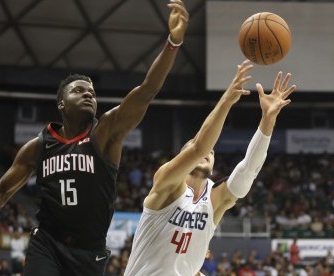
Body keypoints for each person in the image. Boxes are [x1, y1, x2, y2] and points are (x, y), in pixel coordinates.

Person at [0, 1, 189, 275]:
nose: (89, 94)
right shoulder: (38, 147)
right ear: (62, 103)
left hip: (90, 252)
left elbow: (147, 90)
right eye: (78, 90)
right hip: (48, 243)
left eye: (92, 92)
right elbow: (2, 191)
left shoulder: (105, 133)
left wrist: (173, 42)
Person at [125, 60, 296, 275]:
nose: (208, 152)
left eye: (212, 152)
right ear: (182, 158)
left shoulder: (214, 201)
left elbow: (248, 170)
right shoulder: (166, 183)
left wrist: (267, 121)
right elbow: (199, 147)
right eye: (200, 149)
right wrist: (227, 100)